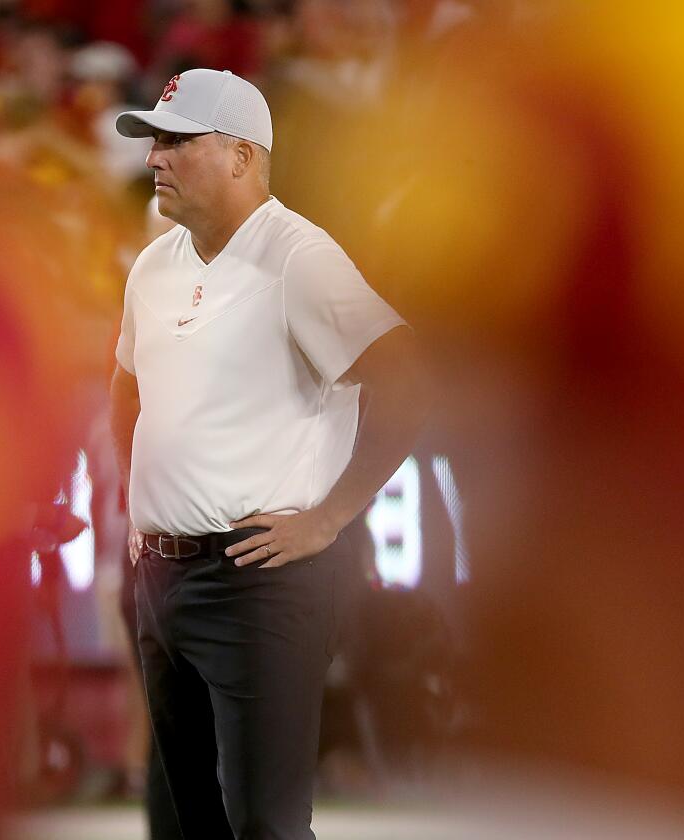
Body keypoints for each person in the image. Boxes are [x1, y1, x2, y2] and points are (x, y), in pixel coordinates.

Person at [109, 68, 430, 840]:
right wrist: (140, 499)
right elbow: (125, 389)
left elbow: (407, 381)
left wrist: (328, 519)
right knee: (190, 825)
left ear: (242, 156)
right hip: (161, 577)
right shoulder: (154, 265)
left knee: (267, 826)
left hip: (259, 578)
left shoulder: (298, 257)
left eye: (178, 141)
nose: (155, 157)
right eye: (154, 140)